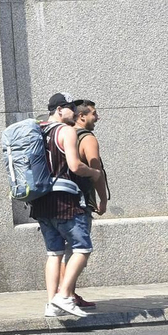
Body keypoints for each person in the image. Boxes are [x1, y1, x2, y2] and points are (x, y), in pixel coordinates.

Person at [29, 93, 103, 319]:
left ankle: (52, 304)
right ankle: (64, 295)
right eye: (70, 108)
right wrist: (93, 172)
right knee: (82, 248)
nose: (74, 112)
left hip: (40, 201)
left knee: (54, 253)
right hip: (65, 201)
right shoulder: (66, 131)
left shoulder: (38, 131)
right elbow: (74, 165)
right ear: (59, 110)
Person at [67, 100, 109, 311]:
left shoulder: (63, 135)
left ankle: (66, 293)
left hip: (58, 202)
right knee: (80, 250)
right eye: (93, 113)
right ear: (81, 116)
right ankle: (67, 295)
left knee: (61, 253)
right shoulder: (87, 138)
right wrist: (103, 199)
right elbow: (96, 171)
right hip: (80, 202)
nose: (97, 117)